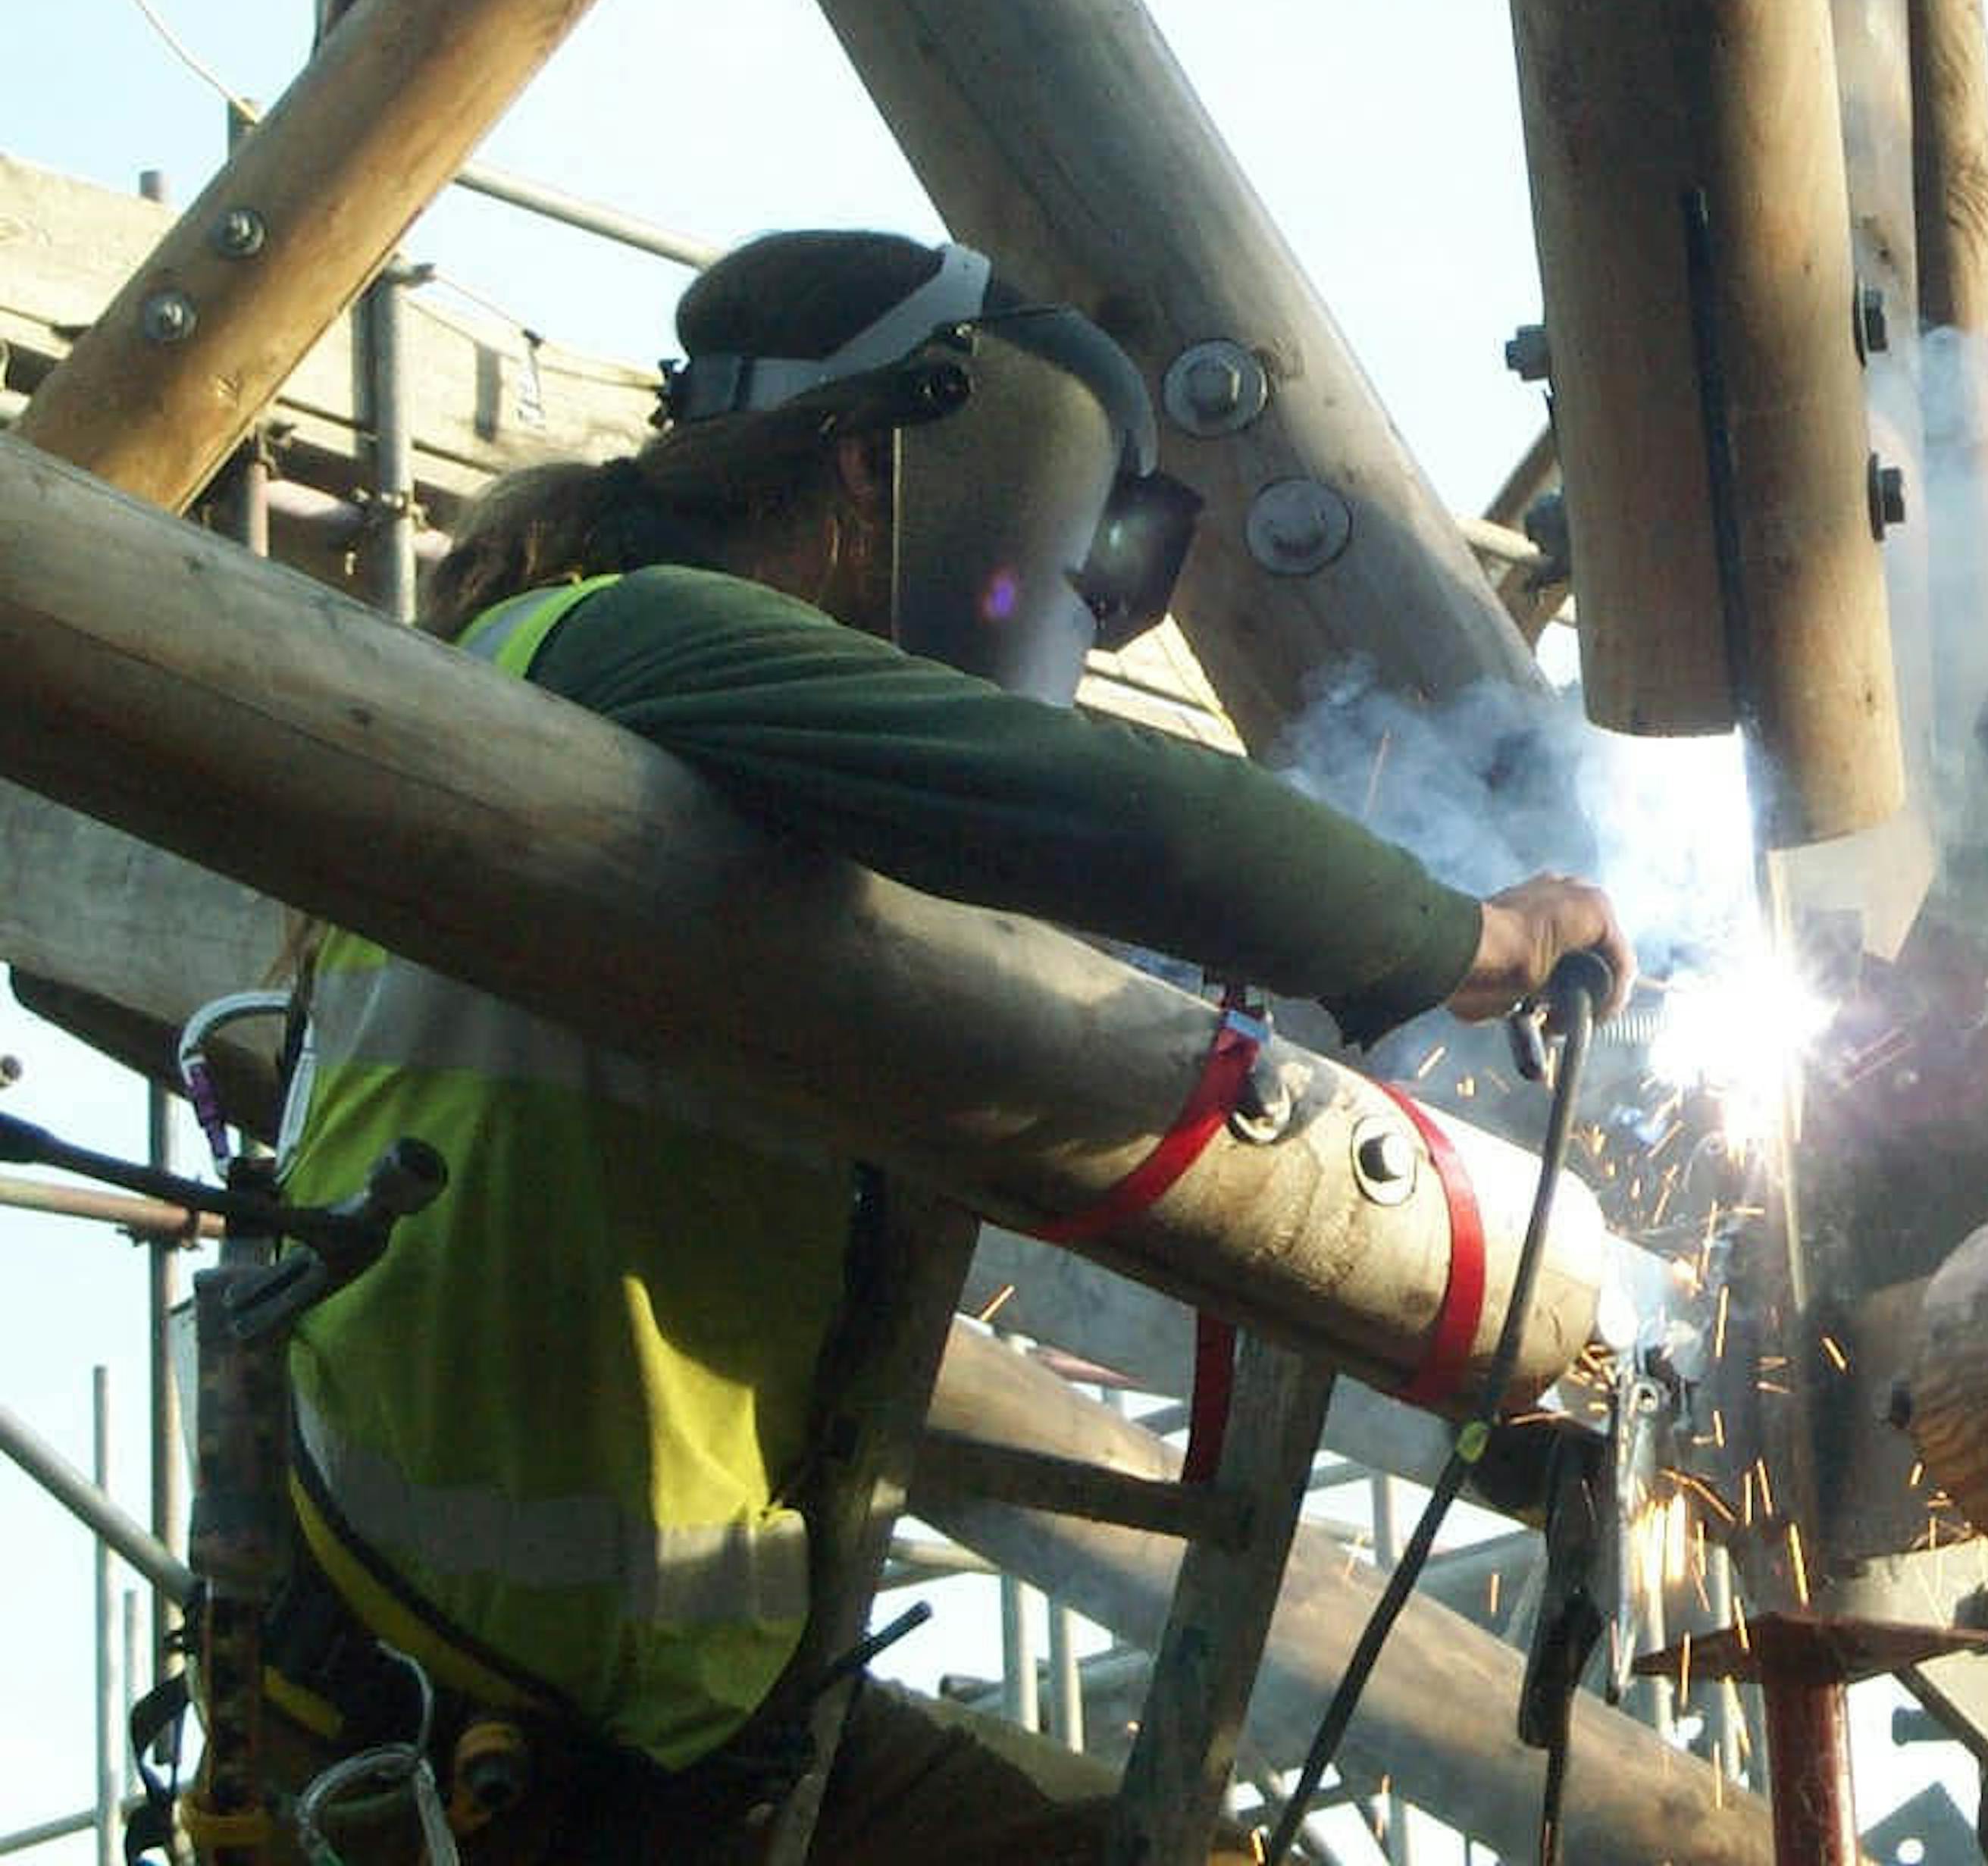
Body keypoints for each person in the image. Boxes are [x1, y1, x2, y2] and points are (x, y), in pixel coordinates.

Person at [259, 230, 1632, 1864]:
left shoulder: (710, 770)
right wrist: (1466, 936)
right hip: (495, 1753)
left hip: (679, 1723)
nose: (1054, 594)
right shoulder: (610, 647)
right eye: (1040, 505)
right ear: (867, 462)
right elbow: (1133, 823)